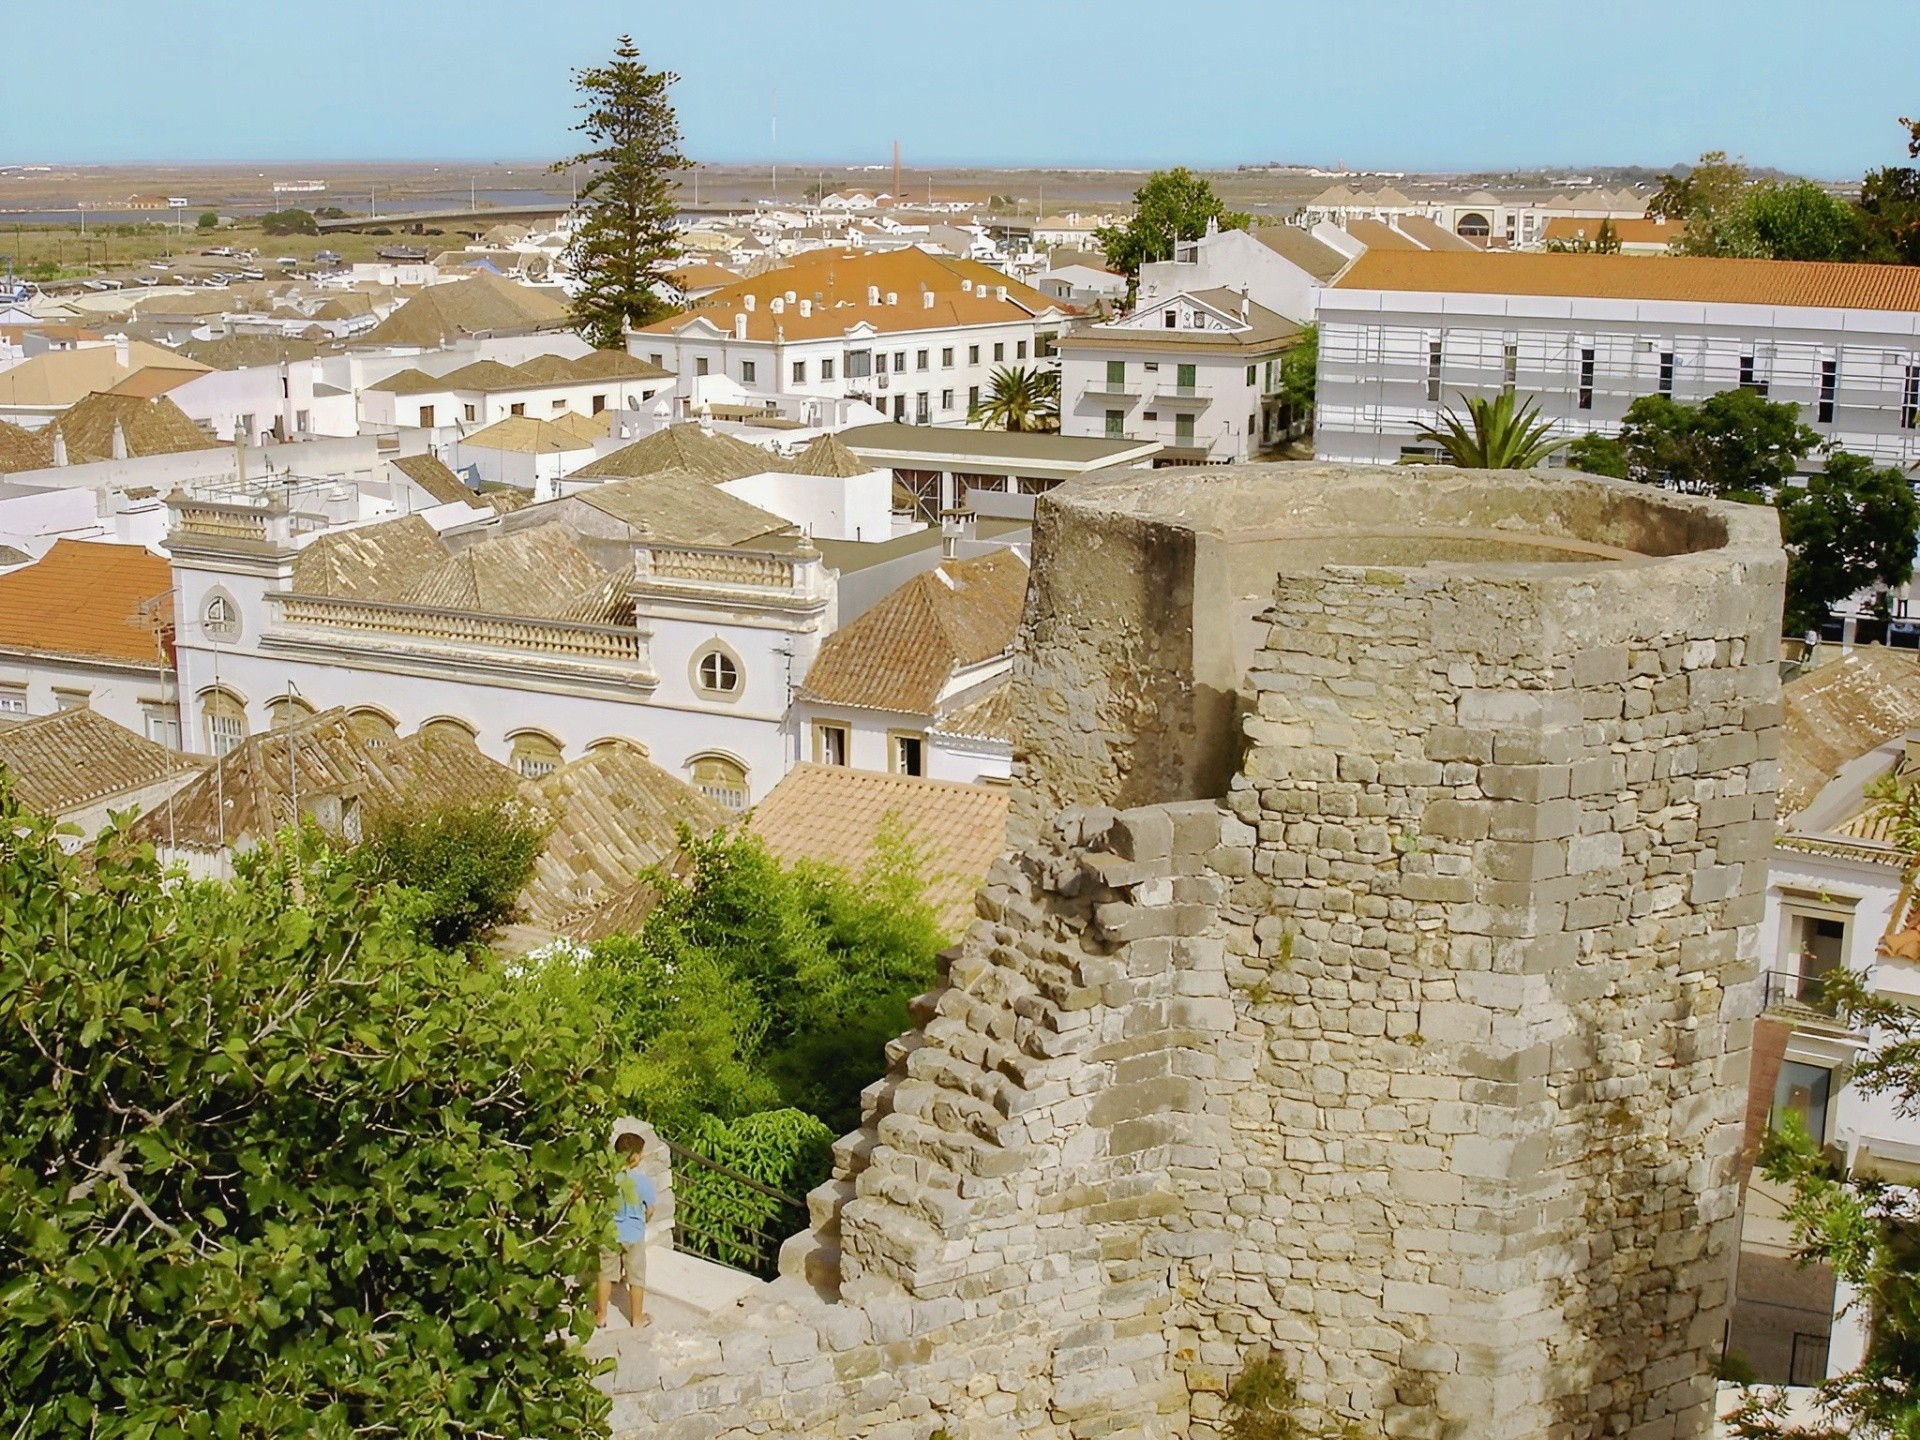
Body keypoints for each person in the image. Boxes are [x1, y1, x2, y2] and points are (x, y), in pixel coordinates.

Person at [596, 1131, 656, 1326]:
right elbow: (650, 1209)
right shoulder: (643, 1182)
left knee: (605, 1274)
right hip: (634, 1234)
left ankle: (601, 1315)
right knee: (636, 1278)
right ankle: (637, 1318)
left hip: (611, 1233)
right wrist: (643, 1220)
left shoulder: (608, 1179)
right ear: (635, 1157)